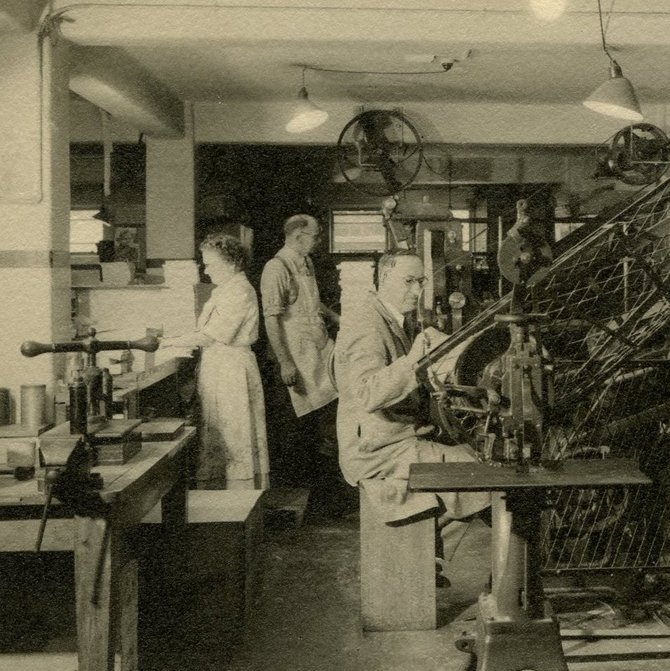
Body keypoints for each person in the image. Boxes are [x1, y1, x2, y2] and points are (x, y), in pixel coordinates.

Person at [334, 251, 488, 578]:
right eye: (408, 281)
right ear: (383, 278)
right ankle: (424, 560)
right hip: (377, 450)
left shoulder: (391, 319)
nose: (417, 290)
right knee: (483, 474)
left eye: (421, 281)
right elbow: (366, 392)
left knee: (472, 459)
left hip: (394, 437)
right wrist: (416, 361)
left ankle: (427, 557)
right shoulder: (366, 324)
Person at [160, 233, 269, 490]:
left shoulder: (239, 291)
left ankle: (239, 495)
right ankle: (222, 494)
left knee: (234, 434)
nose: (206, 271)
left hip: (232, 369)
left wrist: (167, 342)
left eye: (210, 264)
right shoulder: (224, 290)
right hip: (219, 365)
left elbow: (212, 335)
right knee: (220, 431)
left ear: (231, 263)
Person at [261, 214, 349, 516]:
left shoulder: (306, 262)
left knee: (326, 425)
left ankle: (328, 497)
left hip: (317, 351)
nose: (319, 240)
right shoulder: (277, 268)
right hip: (295, 360)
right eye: (315, 235)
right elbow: (272, 320)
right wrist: (285, 362)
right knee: (300, 433)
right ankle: (309, 502)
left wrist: (336, 317)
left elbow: (312, 303)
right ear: (298, 236)